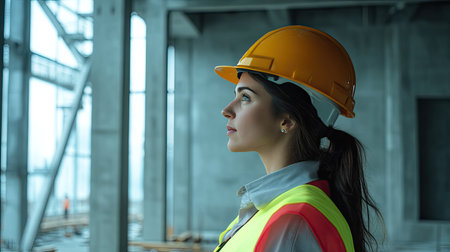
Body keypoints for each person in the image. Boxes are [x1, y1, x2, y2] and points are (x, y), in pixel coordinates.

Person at [214, 26, 383, 252]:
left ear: (287, 120)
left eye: (245, 97)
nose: (226, 110)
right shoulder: (267, 210)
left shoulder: (293, 222)